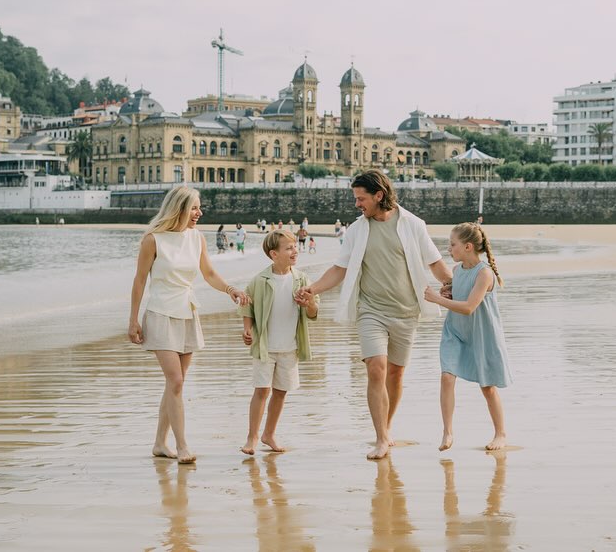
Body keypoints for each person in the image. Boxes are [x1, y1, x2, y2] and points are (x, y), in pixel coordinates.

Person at [296, 169, 452, 459]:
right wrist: (313, 288)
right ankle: (380, 437)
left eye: (361, 198)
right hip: (371, 310)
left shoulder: (412, 224)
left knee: (395, 374)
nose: (357, 204)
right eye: (355, 199)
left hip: (407, 311)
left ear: (379, 195)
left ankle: (387, 426)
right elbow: (339, 269)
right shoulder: (357, 229)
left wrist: (454, 285)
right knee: (376, 368)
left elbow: (435, 262)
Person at [128, 186, 250, 464]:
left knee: (175, 386)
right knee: (176, 381)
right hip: (160, 313)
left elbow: (208, 273)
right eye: (194, 208)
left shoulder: (197, 238)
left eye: (199, 207)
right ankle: (182, 446)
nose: (200, 213)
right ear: (179, 208)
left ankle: (160, 443)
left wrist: (230, 289)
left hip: (187, 312)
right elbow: (139, 281)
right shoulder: (153, 240)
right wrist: (133, 319)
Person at [423, 222, 513, 452]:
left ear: (468, 247)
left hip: (481, 334)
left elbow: (469, 307)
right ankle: (447, 431)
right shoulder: (456, 270)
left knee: (488, 387)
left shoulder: (484, 273)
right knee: (446, 377)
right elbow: (459, 295)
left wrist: (437, 299)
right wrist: (447, 292)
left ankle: (500, 434)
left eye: (452, 245)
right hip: (455, 331)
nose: (448, 249)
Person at [240, 230, 318, 455]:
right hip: (265, 346)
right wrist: (247, 329)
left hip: (290, 347)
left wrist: (308, 304)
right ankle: (252, 436)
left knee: (281, 392)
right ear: (274, 254)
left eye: (295, 247)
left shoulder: (302, 279)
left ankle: (269, 434)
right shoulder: (260, 280)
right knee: (262, 391)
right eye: (289, 248)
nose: (295, 251)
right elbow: (247, 305)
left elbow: (314, 311)